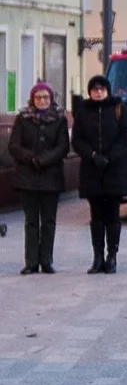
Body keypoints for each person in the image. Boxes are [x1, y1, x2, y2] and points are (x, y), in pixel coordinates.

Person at [71, 75, 127, 274]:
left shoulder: (118, 108)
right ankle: (97, 257)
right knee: (96, 215)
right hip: (92, 171)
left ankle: (112, 256)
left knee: (113, 214)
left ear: (108, 90)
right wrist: (92, 155)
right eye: (94, 89)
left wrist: (110, 156)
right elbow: (77, 139)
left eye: (102, 89)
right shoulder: (83, 111)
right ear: (90, 92)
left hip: (115, 169)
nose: (98, 92)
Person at [7, 82, 69, 275]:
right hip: (27, 177)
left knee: (49, 221)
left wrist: (43, 160)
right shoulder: (22, 118)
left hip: (51, 176)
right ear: (32, 100)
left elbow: (63, 147)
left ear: (51, 100)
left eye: (46, 98)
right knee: (31, 221)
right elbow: (14, 145)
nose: (42, 101)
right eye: (38, 97)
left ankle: (47, 260)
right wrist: (31, 158)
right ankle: (31, 262)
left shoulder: (59, 119)